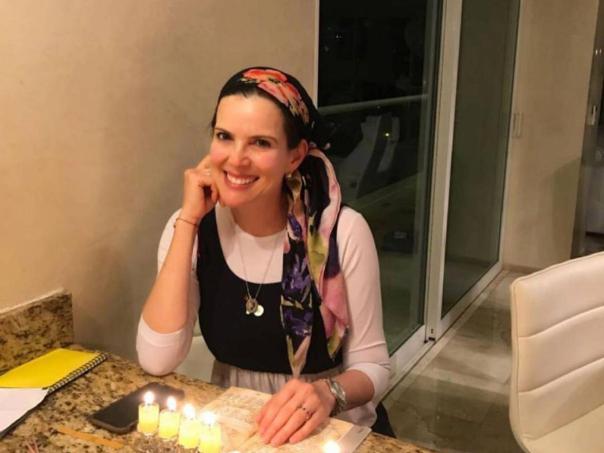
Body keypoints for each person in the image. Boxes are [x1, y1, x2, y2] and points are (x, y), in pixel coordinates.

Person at [136, 67, 392, 446]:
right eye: (224, 136)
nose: (236, 160)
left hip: (331, 430)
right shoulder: (191, 228)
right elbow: (157, 360)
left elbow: (375, 366)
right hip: (240, 429)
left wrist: (328, 393)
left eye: (260, 143)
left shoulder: (342, 232)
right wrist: (188, 222)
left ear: (295, 156)